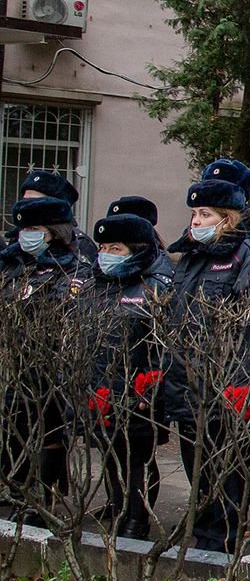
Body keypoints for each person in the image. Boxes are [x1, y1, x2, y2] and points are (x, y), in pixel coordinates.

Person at [163, 172, 250, 552]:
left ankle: (226, 533)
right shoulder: (190, 257)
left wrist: (243, 381)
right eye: (195, 214)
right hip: (189, 378)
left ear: (227, 217)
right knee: (198, 462)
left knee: (229, 463)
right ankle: (205, 525)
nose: (197, 222)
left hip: (227, 379)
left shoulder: (248, 256)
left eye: (206, 214)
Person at [72, 210, 175, 540]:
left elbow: (164, 346)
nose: (105, 255)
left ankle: (137, 519)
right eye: (102, 247)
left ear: (137, 249)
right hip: (101, 387)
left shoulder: (154, 286)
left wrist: (150, 389)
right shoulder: (95, 285)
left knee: (138, 459)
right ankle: (118, 510)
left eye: (114, 249)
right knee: (111, 454)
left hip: (138, 390)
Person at [2, 193, 86, 517]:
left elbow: (69, 312)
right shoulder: (15, 265)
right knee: (18, 426)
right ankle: (19, 490)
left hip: (54, 366)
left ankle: (45, 499)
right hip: (18, 362)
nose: (27, 235)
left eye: (35, 228)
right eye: (23, 229)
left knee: (50, 429)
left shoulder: (71, 266)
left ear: (54, 229)